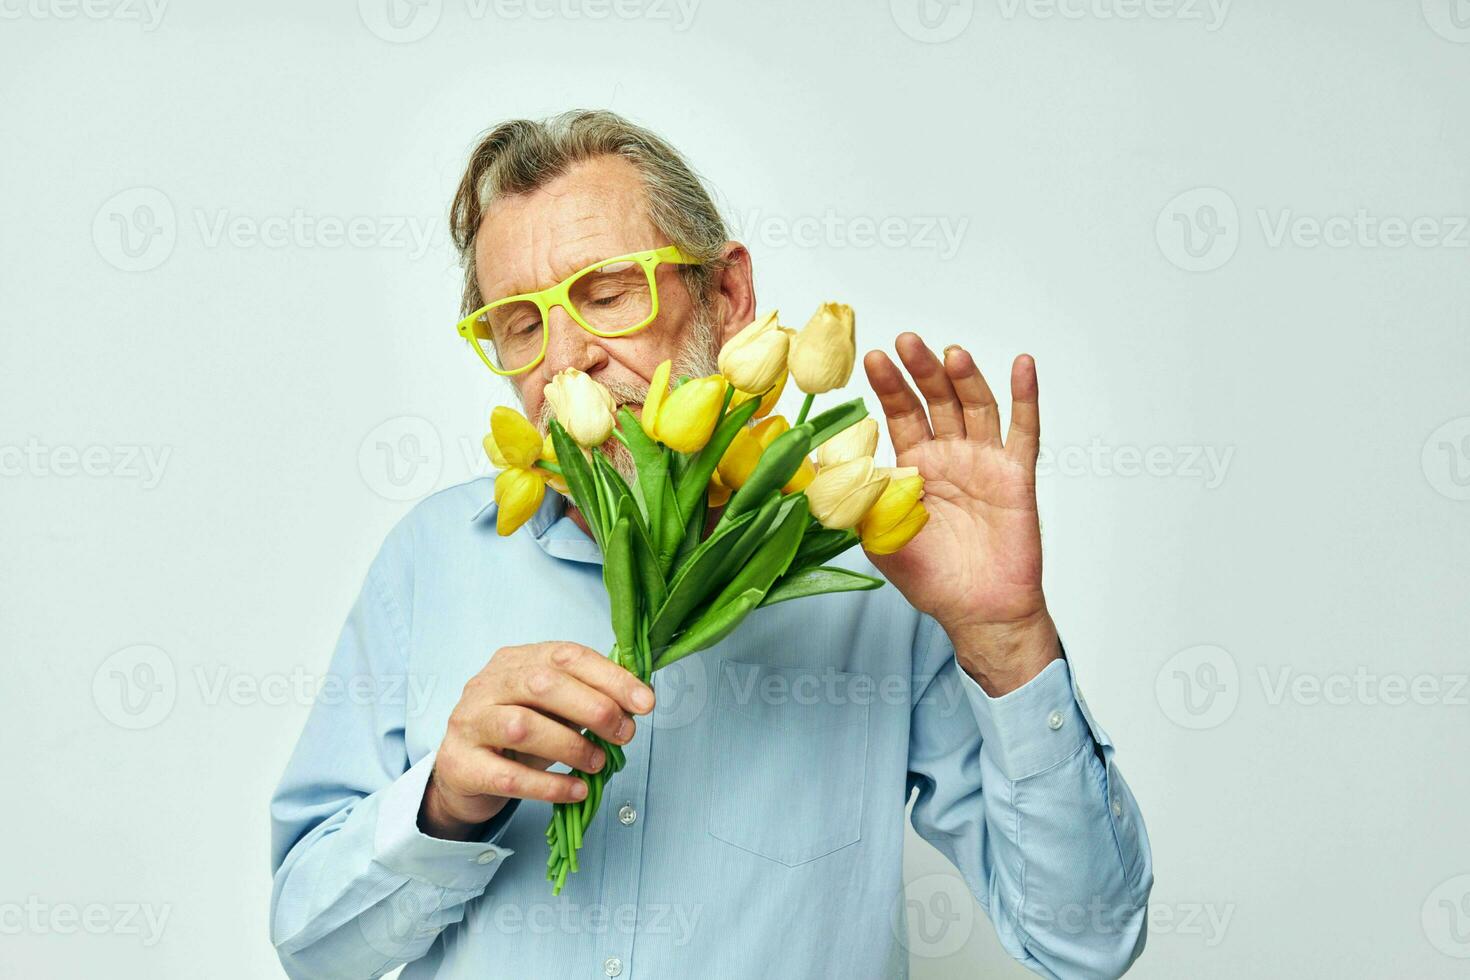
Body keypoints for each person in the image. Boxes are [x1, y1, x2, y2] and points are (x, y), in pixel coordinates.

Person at [270, 110, 1152, 979]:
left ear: (726, 297)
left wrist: (1007, 640)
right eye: (521, 323)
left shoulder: (872, 570)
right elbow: (311, 943)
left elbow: (1085, 941)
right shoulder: (431, 561)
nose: (565, 359)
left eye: (609, 294)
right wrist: (445, 805)